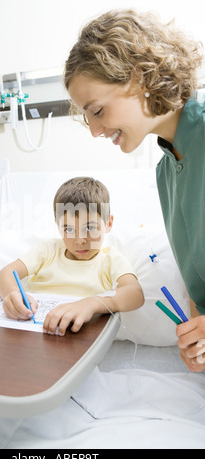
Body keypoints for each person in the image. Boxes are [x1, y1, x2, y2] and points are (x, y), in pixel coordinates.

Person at [63, 9, 205, 371]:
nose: (94, 130)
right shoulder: (166, 173)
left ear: (139, 76)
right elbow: (197, 288)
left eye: (97, 110)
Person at [0, 176, 144, 336]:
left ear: (108, 223)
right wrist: (12, 294)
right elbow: (6, 274)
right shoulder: (47, 250)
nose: (80, 240)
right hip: (31, 330)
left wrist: (92, 303)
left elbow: (134, 293)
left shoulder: (109, 259)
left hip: (77, 337)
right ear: (58, 226)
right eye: (69, 229)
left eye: (90, 228)